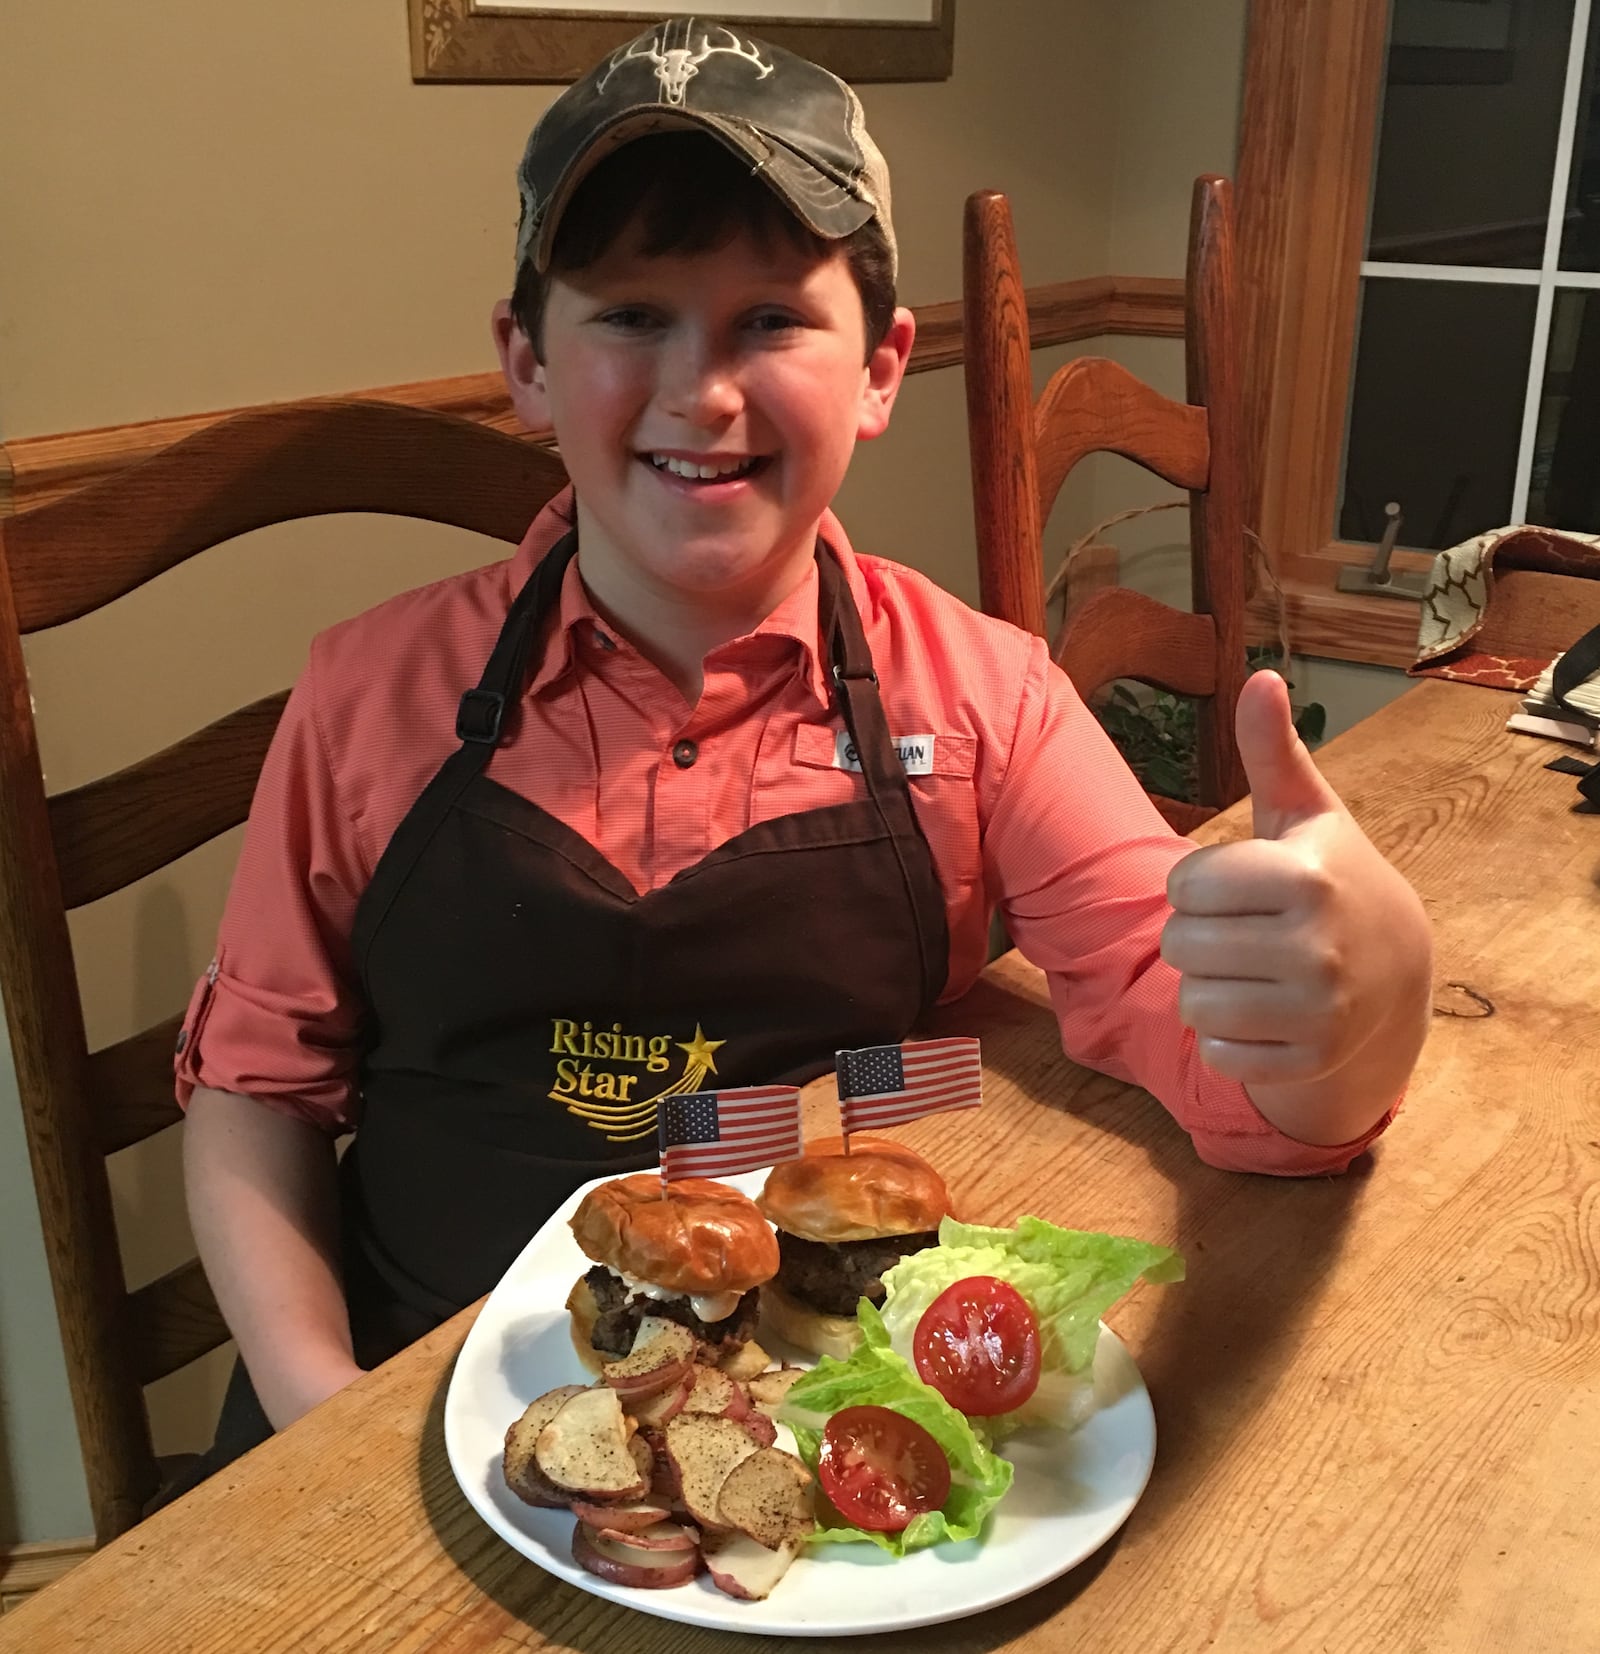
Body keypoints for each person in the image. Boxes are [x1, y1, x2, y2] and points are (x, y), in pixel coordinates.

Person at [176, 16, 1433, 1458]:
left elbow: (1205, 1045)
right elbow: (254, 1089)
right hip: (395, 1406)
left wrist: (1358, 1013)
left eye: (771, 320)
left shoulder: (988, 701)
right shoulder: (364, 693)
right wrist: (316, 1410)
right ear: (527, 362)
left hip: (803, 1432)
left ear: (884, 366)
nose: (701, 392)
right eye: (632, 314)